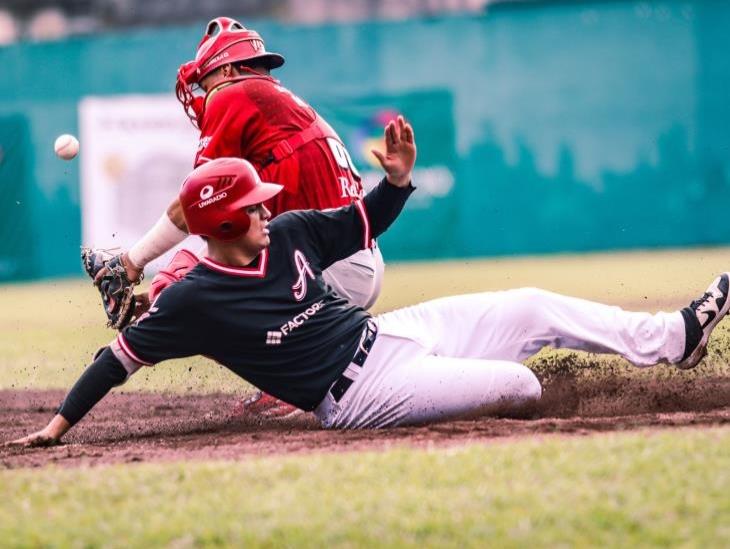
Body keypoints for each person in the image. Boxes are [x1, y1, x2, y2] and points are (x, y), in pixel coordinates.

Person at [10, 117, 730, 446]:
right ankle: (455, 382)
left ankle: (676, 337)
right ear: (224, 225)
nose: (268, 207)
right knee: (523, 387)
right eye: (253, 205)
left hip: (390, 337)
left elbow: (366, 222)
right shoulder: (194, 297)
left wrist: (398, 182)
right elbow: (115, 361)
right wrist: (53, 428)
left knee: (530, 304)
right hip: (356, 397)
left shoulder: (290, 233)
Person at [84, 16, 385, 417]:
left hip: (325, 267)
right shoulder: (277, 103)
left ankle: (283, 382)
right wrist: (159, 300)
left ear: (226, 70)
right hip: (344, 259)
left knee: (194, 268)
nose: (203, 93)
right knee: (203, 283)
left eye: (205, 81)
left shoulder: (234, 94)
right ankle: (287, 379)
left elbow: (196, 203)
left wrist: (131, 262)